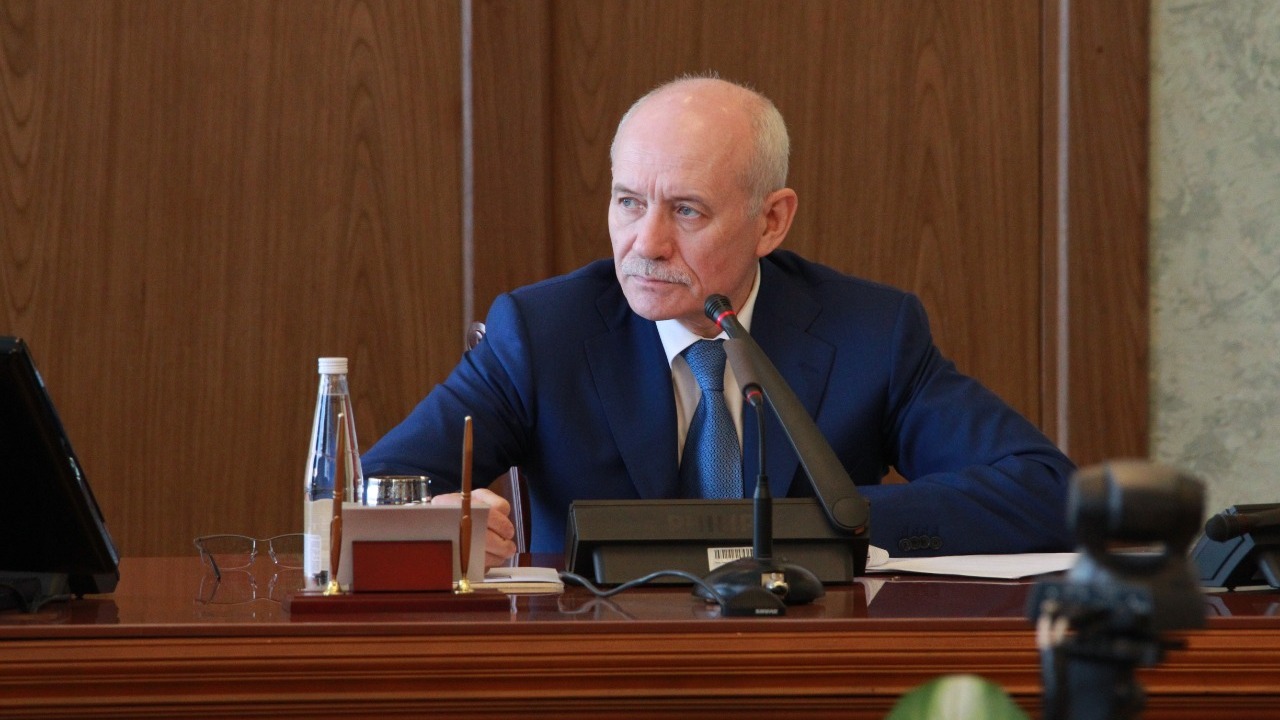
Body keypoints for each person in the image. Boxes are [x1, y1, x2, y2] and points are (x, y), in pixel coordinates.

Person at [362, 75, 1075, 568]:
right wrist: (437, 521)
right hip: (598, 668)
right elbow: (374, 489)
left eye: (687, 210)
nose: (645, 244)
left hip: (804, 667)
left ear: (771, 221)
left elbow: (1046, 490)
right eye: (628, 202)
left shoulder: (868, 333)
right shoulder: (541, 332)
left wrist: (824, 527)